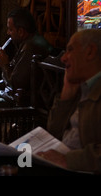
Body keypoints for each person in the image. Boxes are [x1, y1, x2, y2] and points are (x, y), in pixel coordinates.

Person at [36, 29, 101, 173]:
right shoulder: (82, 88)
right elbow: (54, 133)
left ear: (90, 52)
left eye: (70, 50)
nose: (63, 58)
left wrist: (68, 160)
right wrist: (67, 93)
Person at [0, 8, 53, 109]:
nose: (8, 33)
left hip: (14, 102)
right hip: (6, 95)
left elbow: (16, 83)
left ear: (21, 31)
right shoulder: (25, 43)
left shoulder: (31, 47)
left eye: (10, 29)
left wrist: (4, 65)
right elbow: (13, 77)